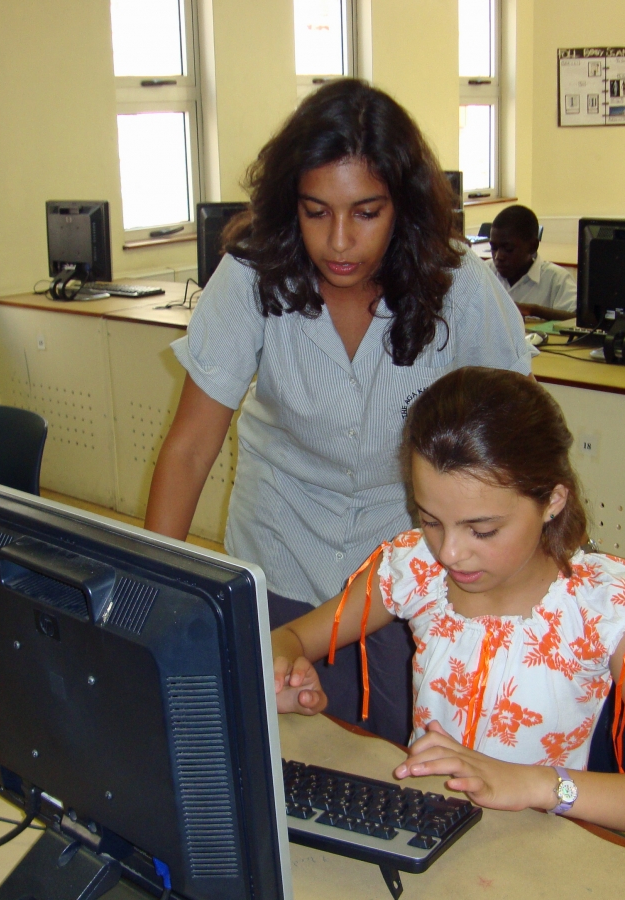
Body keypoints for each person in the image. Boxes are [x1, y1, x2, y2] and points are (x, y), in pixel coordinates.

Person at [144, 80, 535, 746]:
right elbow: (189, 449)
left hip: (405, 578)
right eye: (316, 211)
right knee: (265, 752)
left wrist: (572, 560)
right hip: (277, 554)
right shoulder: (250, 276)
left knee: (404, 762)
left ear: (403, 207)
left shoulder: (459, 283)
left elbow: (522, 439)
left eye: (366, 212)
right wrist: (149, 594)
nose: (340, 241)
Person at [271, 367, 625, 840]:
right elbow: (292, 636)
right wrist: (284, 668)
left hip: (532, 850)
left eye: (482, 530)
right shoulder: (418, 569)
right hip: (426, 828)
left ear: (552, 500)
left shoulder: (604, 608)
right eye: (430, 519)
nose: (449, 553)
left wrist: (536, 784)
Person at [488, 205, 577, 322]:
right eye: (494, 248)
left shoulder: (557, 280)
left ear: (532, 246)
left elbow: (577, 320)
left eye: (508, 248)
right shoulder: (484, 272)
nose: (498, 256)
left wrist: (534, 310)